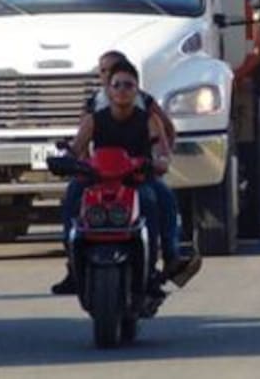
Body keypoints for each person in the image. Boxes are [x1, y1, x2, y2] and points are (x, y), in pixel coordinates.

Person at [53, 59, 194, 295]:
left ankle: (165, 262)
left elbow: (161, 151)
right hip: (98, 180)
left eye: (128, 85)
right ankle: (73, 267)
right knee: (73, 194)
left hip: (137, 180)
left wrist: (159, 162)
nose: (122, 90)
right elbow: (76, 149)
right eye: (116, 85)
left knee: (159, 198)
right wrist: (65, 160)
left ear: (137, 89)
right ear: (108, 90)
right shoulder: (93, 120)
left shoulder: (148, 120)